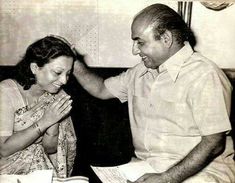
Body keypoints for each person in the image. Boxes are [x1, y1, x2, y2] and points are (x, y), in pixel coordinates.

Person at [73, 3, 235, 183]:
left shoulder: (204, 74)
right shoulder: (139, 72)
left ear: (166, 38)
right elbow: (101, 89)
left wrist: (166, 178)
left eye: (140, 42)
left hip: (203, 173)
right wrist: (72, 61)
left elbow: (213, 143)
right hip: (148, 167)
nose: (134, 50)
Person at [0, 35, 77, 178]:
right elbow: (3, 149)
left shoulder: (58, 96)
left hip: (42, 171)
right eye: (58, 73)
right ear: (35, 67)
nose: (64, 80)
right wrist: (44, 122)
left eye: (68, 74)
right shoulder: (6, 91)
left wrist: (53, 125)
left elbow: (51, 150)